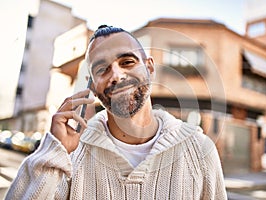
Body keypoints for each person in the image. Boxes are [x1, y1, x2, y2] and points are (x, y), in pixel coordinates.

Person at [5, 25, 227, 199]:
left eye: (127, 62)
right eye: (102, 69)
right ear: (91, 84)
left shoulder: (200, 150)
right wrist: (54, 151)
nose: (117, 75)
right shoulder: (70, 155)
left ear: (149, 68)